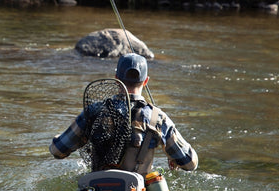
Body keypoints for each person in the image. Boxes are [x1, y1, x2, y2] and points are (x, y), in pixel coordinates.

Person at [49, 53, 198, 177]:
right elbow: (190, 163)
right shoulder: (158, 118)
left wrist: (58, 137)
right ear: (145, 81)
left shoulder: (94, 111)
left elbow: (57, 151)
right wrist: (172, 156)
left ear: (116, 79)